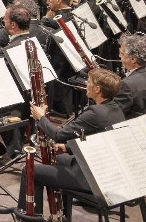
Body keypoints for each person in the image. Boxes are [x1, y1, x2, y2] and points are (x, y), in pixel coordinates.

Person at [25, 68, 125, 216]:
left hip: (90, 178)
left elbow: (58, 134)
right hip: (106, 171)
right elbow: (91, 138)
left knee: (29, 171)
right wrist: (67, 148)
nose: (86, 82)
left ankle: (30, 216)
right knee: (58, 159)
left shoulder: (94, 114)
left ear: (97, 89)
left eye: (89, 82)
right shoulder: (115, 108)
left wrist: (41, 118)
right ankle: (62, 214)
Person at [116, 33, 146, 118]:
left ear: (133, 59)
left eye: (122, 54)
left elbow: (114, 114)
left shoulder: (127, 85)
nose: (119, 56)